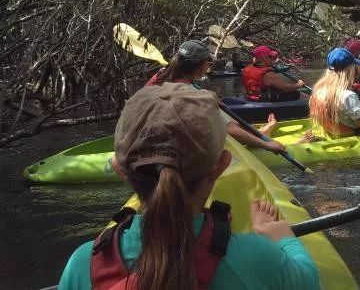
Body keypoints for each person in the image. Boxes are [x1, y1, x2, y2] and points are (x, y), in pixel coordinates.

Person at [58, 84, 320, 289]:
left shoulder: (84, 262)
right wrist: (282, 237)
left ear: (119, 169)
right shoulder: (257, 256)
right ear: (221, 165)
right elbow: (308, 280)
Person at [146, 39, 285, 153]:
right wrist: (266, 146)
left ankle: (260, 132)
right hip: (174, 152)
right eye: (208, 63)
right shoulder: (193, 95)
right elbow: (230, 130)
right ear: (200, 66)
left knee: (219, 115)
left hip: (148, 142)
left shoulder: (160, 75)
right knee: (227, 122)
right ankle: (262, 135)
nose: (209, 67)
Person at [242, 45, 306, 102]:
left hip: (250, 97)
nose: (273, 59)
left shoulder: (246, 69)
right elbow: (285, 88)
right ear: (264, 58)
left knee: (274, 89)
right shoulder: (268, 74)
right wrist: (298, 85)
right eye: (271, 57)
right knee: (295, 93)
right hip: (263, 99)